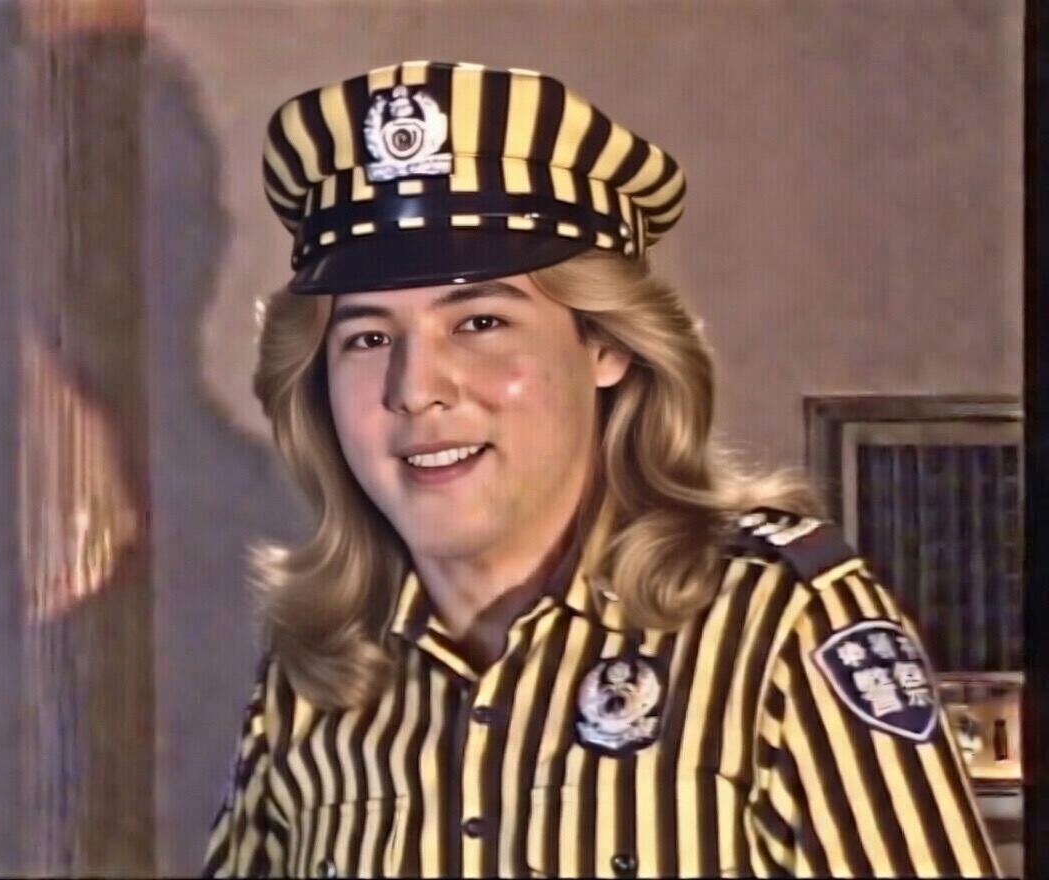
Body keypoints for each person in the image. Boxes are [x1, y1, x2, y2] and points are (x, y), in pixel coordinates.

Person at [204, 60, 1000, 878]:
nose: (416, 389)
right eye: (369, 338)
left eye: (479, 322)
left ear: (607, 345)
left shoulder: (782, 628)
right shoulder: (318, 669)